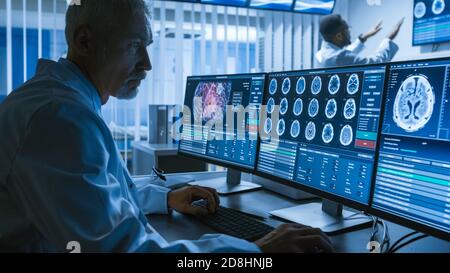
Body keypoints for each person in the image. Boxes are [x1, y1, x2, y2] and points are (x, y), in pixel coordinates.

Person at [0, 0, 333, 253]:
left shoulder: (66, 103)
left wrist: (166, 198)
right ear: (84, 41)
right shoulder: (59, 118)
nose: (146, 64)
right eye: (133, 46)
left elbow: (102, 195)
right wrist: (255, 251)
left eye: (146, 46)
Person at [315, 14, 404, 68]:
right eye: (347, 29)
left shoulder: (321, 54)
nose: (349, 32)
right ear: (338, 36)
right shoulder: (338, 58)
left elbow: (346, 53)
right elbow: (376, 62)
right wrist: (388, 39)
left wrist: (364, 37)